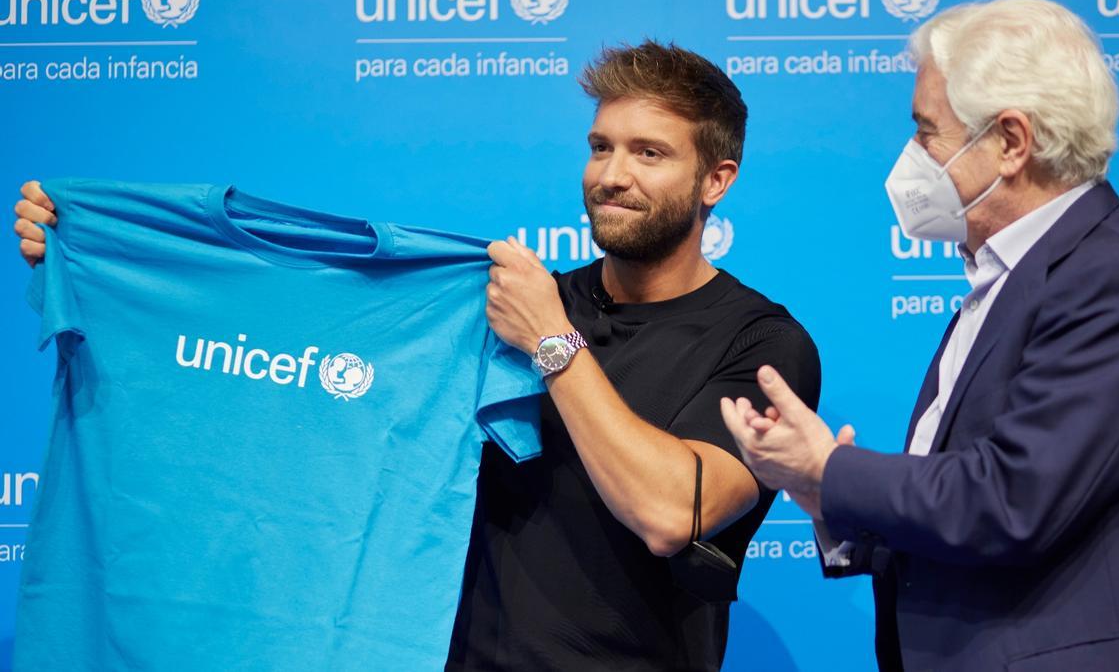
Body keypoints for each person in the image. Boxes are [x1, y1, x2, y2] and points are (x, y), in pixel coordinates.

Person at [15, 42, 821, 671]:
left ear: (716, 178)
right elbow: (306, 356)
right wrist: (105, 254)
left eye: (648, 153)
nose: (610, 176)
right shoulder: (500, 304)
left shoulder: (762, 342)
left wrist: (553, 343)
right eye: (600, 146)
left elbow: (668, 512)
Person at [721, 0, 1119, 671]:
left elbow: (1012, 499)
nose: (911, 157)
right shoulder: (1010, 274)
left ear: (1010, 142)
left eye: (926, 131)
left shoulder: (1114, 280)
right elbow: (968, 512)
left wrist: (832, 469)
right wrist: (822, 492)